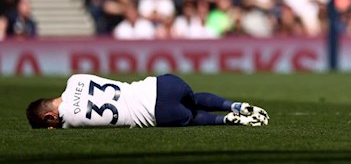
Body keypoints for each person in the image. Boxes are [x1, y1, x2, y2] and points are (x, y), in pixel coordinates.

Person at [26, 73, 269, 129]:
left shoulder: (68, 120)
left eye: (50, 124)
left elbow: (66, 118)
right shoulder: (74, 79)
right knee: (193, 98)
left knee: (192, 117)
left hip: (159, 112)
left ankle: (227, 119)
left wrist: (55, 129)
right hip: (162, 83)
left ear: (50, 117)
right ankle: (234, 105)